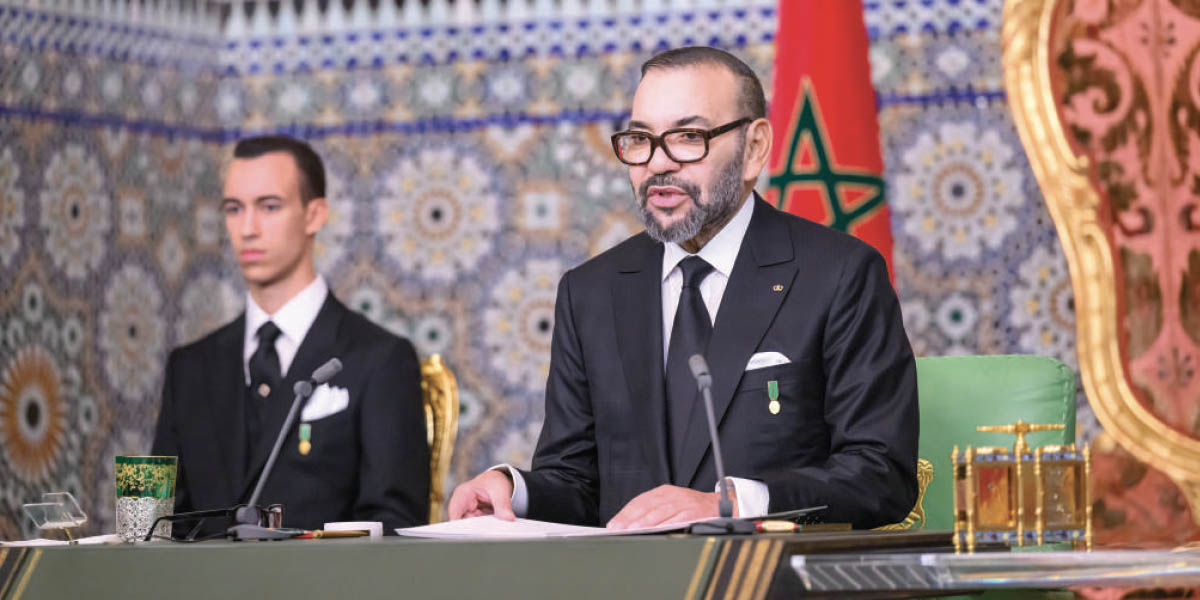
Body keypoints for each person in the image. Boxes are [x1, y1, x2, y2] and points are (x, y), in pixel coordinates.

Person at [449, 47, 918, 530]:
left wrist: (734, 504)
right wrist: (514, 490)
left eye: (688, 137)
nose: (657, 164)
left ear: (755, 147)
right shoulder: (590, 292)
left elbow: (880, 475)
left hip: (767, 568)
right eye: (640, 139)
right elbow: (576, 482)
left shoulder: (840, 275)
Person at [151, 135, 429, 534]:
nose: (247, 229)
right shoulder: (189, 367)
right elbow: (162, 526)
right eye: (234, 209)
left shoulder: (379, 358)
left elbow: (393, 525)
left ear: (314, 215)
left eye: (269, 207)